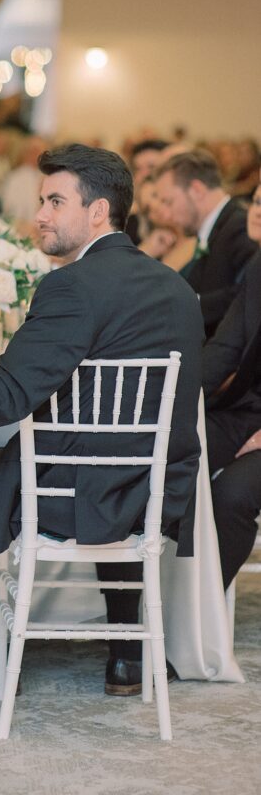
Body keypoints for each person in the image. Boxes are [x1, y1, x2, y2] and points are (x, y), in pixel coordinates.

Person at [0, 144, 204, 697]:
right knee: (91, 453)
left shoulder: (71, 286)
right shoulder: (176, 288)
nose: (40, 215)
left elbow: (8, 395)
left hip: (76, 494)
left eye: (55, 201)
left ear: (99, 211)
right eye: (41, 201)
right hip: (155, 491)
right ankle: (126, 657)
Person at [204, 181, 261, 590]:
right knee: (170, 450)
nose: (256, 211)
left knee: (230, 495)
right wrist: (173, 401)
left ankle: (202, 613)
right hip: (244, 409)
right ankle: (156, 600)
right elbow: (225, 348)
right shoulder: (258, 268)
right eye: (257, 201)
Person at [154, 149, 257, 337]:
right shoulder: (219, 226)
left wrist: (186, 305)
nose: (166, 215)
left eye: (169, 202)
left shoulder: (240, 227)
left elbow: (249, 295)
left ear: (196, 190)